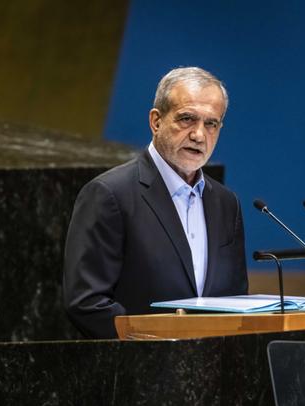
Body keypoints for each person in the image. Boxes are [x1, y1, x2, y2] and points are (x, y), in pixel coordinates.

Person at [64, 67, 248, 338]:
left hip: (210, 369)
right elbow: (86, 302)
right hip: (138, 369)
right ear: (156, 121)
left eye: (211, 124)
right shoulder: (109, 194)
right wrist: (156, 347)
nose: (199, 135)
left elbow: (236, 300)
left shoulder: (225, 203)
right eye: (187, 119)